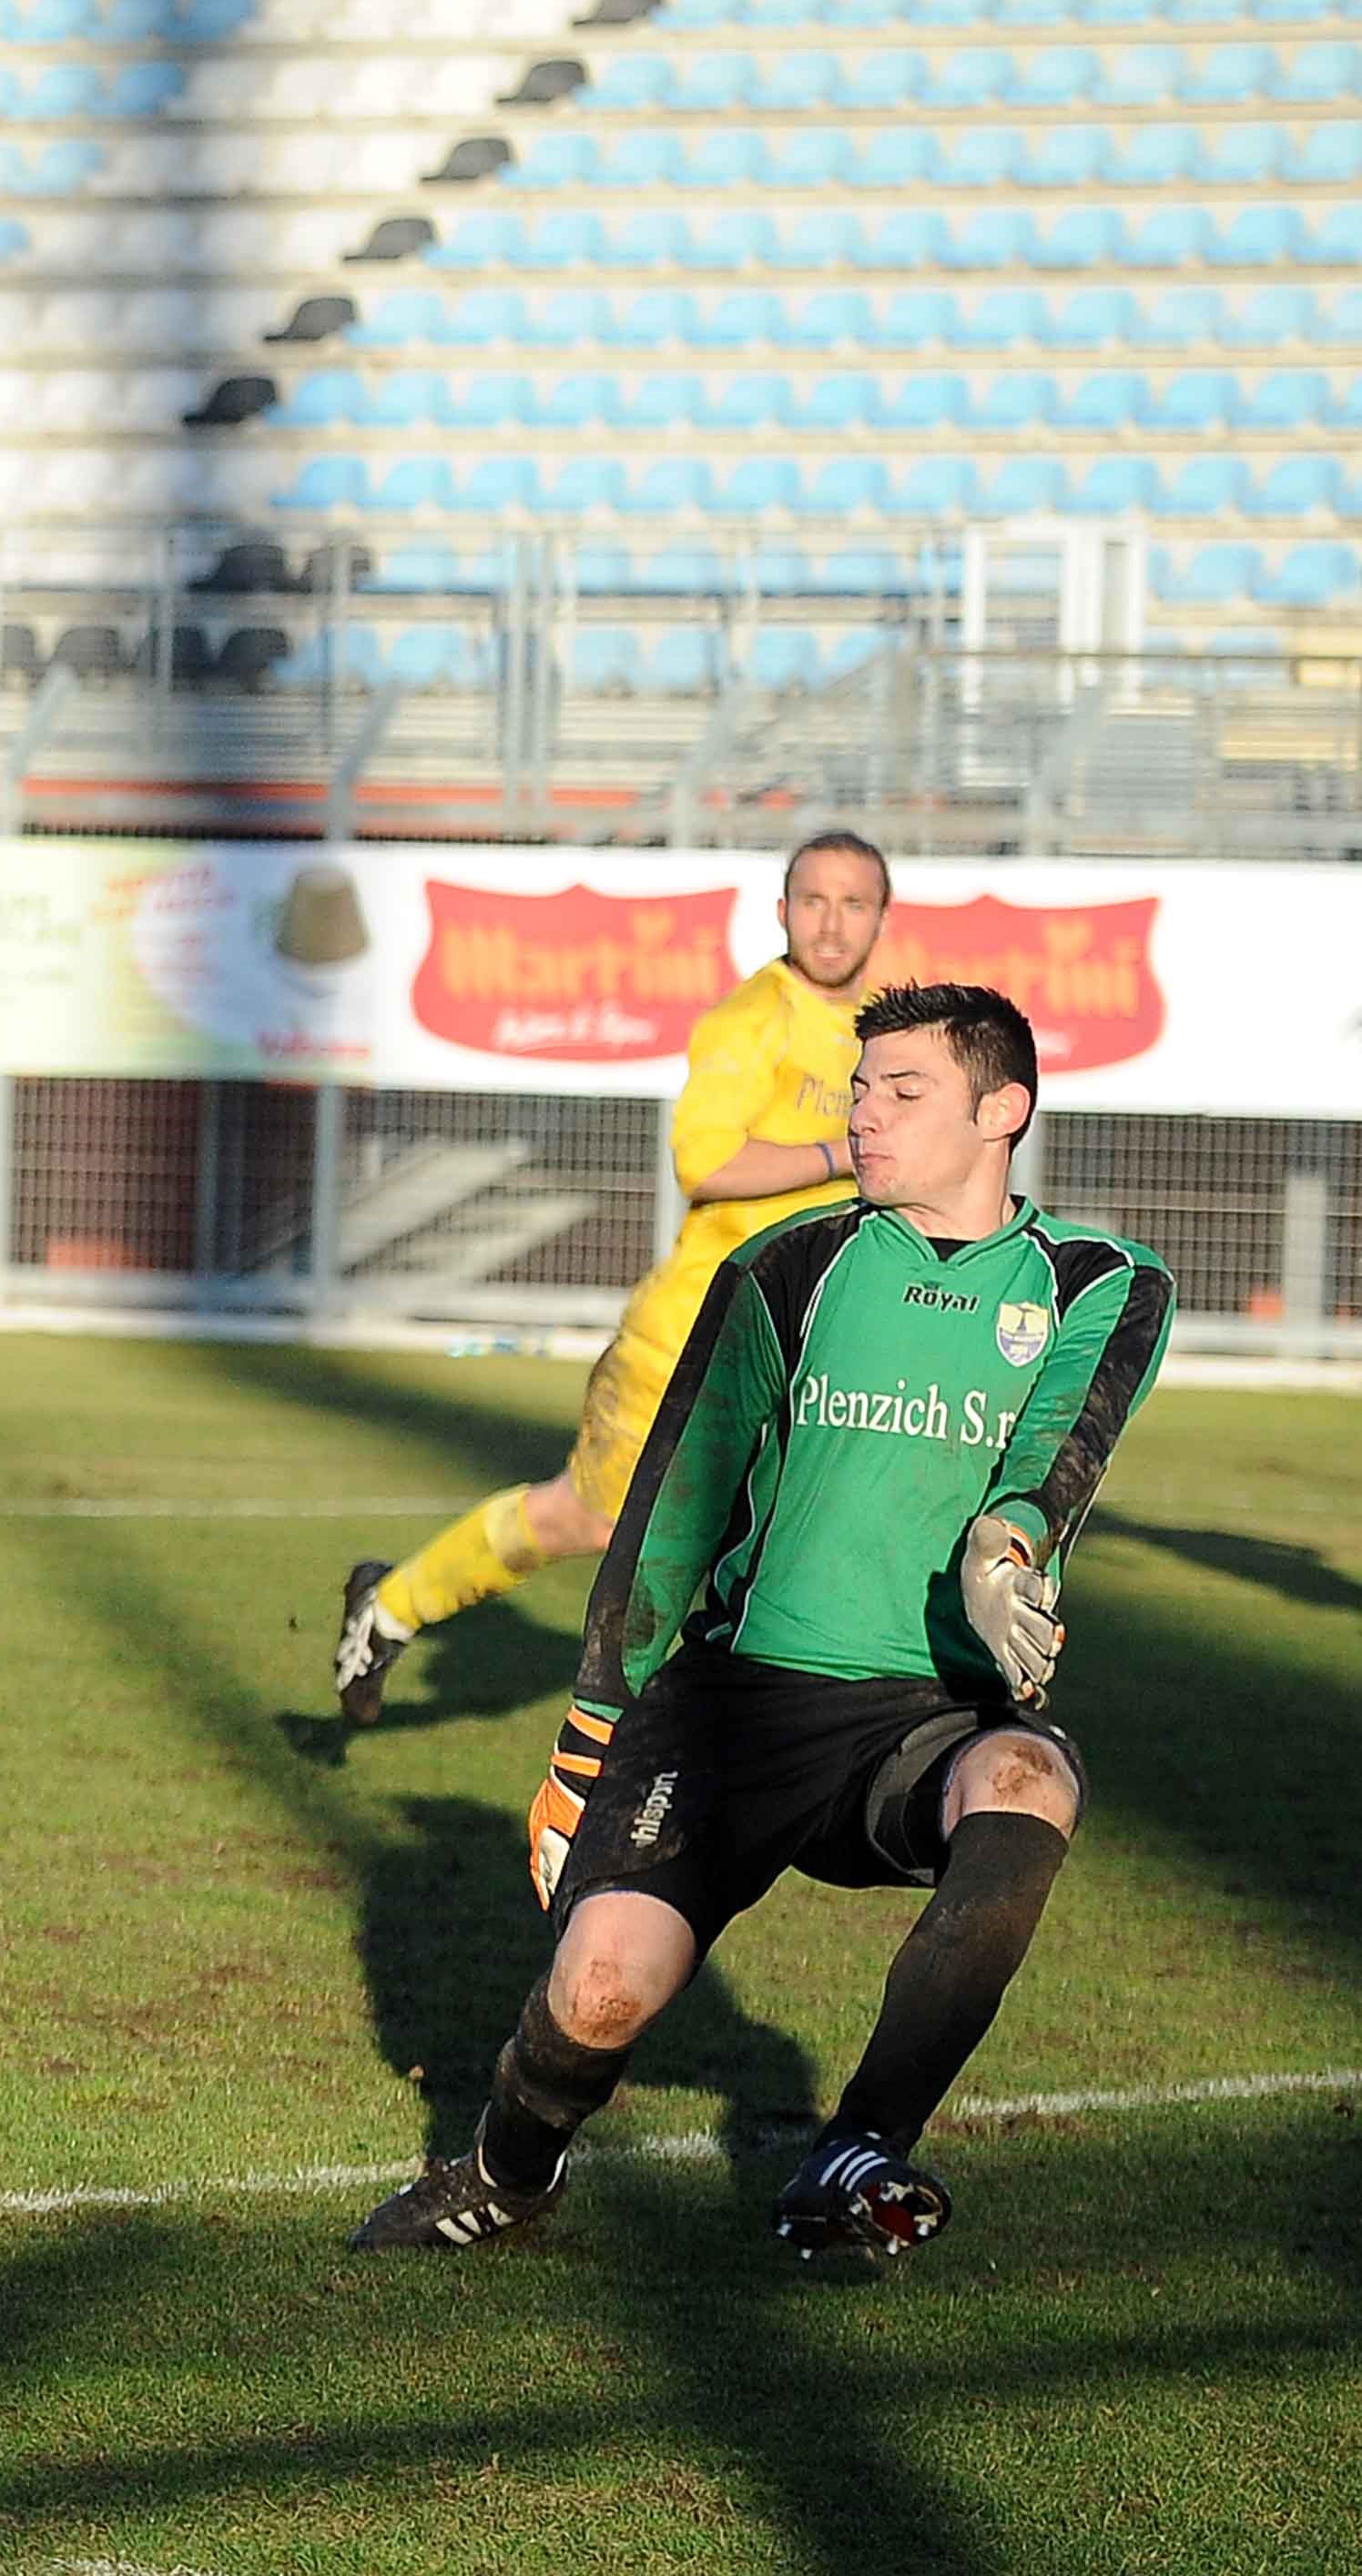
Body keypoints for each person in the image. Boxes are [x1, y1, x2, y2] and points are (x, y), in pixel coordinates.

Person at [351, 982, 1172, 2261]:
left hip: (927, 1717)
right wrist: (587, 1733)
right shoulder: (785, 1265)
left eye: (903, 1091)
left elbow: (1063, 1442)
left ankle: (859, 2148)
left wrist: (1005, 1539)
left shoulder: (1097, 1284)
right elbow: (673, 1506)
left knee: (1028, 1778)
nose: (863, 1115)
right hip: (734, 1705)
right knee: (599, 1988)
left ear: (1000, 1110)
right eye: (860, 1089)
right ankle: (508, 2172)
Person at [333, 831, 897, 1724]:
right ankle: (391, 1605)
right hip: (689, 1338)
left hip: (798, 1345)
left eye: (852, 903)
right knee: (587, 1521)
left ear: (881, 917)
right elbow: (704, 1161)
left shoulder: (880, 1032)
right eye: (813, 901)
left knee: (788, 1544)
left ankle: (753, 1743)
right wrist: (843, 1153)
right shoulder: (754, 1017)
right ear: (781, 911)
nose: (830, 923)